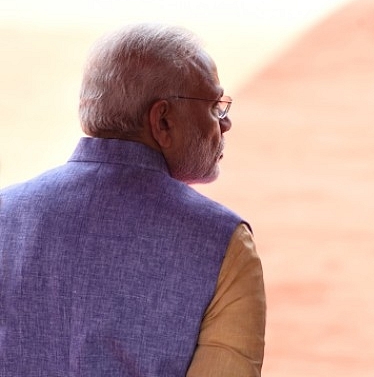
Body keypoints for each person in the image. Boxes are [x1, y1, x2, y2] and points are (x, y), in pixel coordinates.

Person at [0, 24, 266, 376]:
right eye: (216, 107)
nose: (226, 122)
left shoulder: (5, 216)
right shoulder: (224, 245)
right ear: (163, 121)